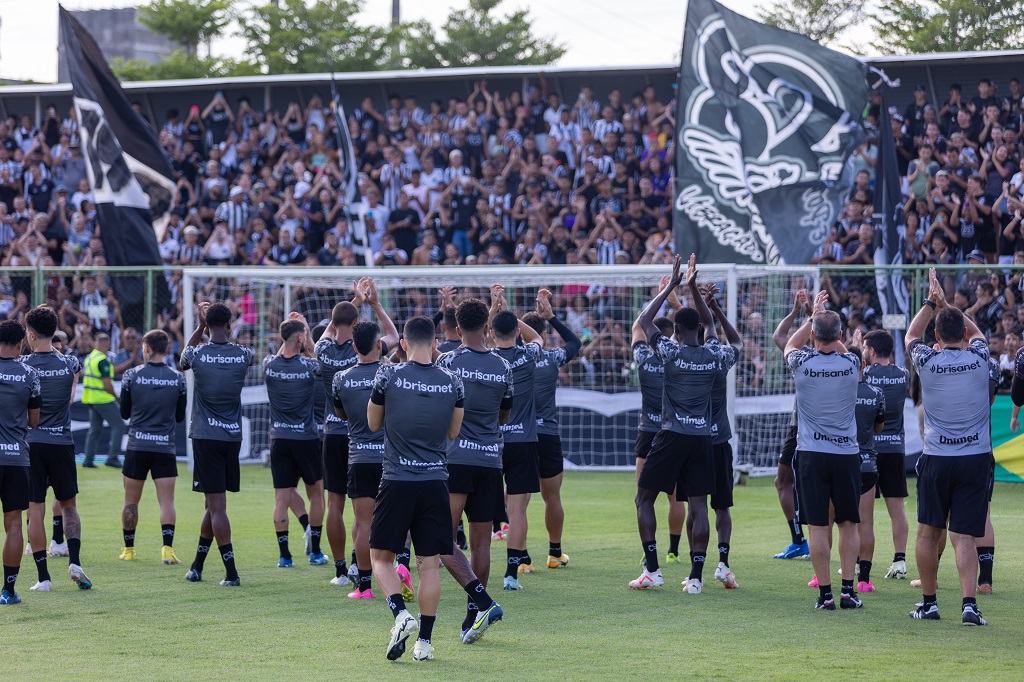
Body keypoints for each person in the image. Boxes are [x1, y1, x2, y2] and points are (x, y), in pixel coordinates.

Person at [365, 316, 468, 661]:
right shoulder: (453, 381)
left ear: (403, 344)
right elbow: (453, 432)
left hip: (397, 480)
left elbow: (372, 423)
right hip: (435, 481)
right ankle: (424, 643)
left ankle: (400, 614)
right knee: (429, 565)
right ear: (436, 343)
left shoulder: (388, 375)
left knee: (380, 558)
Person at [631, 254, 733, 593]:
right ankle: (697, 578)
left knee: (644, 500)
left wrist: (672, 287)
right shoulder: (713, 354)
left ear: (675, 331)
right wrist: (695, 291)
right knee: (699, 506)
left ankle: (653, 570)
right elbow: (717, 330)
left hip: (672, 434)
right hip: (703, 438)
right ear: (700, 330)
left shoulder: (670, 353)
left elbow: (644, 320)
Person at [906, 268, 992, 626]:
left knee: (928, 532)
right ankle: (969, 606)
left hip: (937, 458)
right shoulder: (980, 357)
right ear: (964, 335)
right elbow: (978, 334)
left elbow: (912, 334)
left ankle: (929, 603)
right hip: (974, 458)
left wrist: (931, 302)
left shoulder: (927, 360)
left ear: (937, 336)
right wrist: (948, 306)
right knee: (964, 536)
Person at [436, 299, 514, 634]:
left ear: (456, 329)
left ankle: (482, 602)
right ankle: (473, 615)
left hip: (455, 459)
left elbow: (437, 407)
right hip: (490, 460)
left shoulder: (447, 361)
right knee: (482, 543)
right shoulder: (503, 366)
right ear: (487, 327)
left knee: (440, 538)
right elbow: (504, 414)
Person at [316, 279, 398, 585]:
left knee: (335, 505)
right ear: (356, 324)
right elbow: (394, 336)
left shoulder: (323, 349)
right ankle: (360, 563)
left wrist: (355, 301)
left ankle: (341, 570)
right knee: (371, 511)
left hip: (334, 433)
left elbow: (331, 327)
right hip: (365, 437)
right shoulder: (369, 353)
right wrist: (371, 302)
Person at [785, 289, 863, 611]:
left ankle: (826, 595)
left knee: (818, 526)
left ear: (814, 336)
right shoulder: (852, 363)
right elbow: (851, 353)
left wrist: (811, 318)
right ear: (841, 335)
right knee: (848, 524)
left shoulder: (801, 363)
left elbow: (790, 345)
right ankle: (848, 592)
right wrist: (824, 326)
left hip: (811, 454)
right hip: (846, 455)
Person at [179, 302, 255, 587]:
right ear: (229, 324)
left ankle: (231, 573)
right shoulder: (244, 354)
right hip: (232, 437)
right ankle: (197, 566)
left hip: (205, 436)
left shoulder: (197, 354)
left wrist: (200, 325)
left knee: (217, 507)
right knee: (212, 505)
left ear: (207, 326)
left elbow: (183, 359)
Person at [21, 306, 87, 592]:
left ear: (31, 334)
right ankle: (75, 562)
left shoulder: (23, 365)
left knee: (35, 509)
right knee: (69, 506)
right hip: (62, 443)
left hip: (31, 443)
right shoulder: (70, 363)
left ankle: (43, 578)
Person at [488, 288, 545, 590]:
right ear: (516, 332)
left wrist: (496, 308)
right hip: (523, 440)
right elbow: (537, 338)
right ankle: (511, 574)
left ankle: (474, 569)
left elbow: (475, 338)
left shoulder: (487, 358)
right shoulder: (527, 355)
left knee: (482, 508)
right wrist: (510, 313)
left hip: (490, 442)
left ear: (492, 333)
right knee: (518, 510)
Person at [522, 288, 580, 570]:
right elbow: (575, 342)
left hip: (518, 435)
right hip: (546, 434)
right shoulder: (553, 357)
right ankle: (555, 553)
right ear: (543, 335)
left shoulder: (510, 359)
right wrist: (552, 317)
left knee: (517, 500)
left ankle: (520, 559)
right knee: (552, 496)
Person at [118, 330, 187, 565]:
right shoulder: (178, 378)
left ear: (146, 348)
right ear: (167, 349)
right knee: (166, 501)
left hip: (137, 445)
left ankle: (129, 550)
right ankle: (167, 550)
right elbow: (180, 417)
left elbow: (124, 413)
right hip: (164, 447)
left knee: (131, 500)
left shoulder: (131, 375)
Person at [332, 321, 389, 598]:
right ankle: (400, 570)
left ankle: (364, 587)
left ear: (354, 347)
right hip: (390, 459)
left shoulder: (341, 378)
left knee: (364, 524)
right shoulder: (391, 373)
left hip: (360, 457)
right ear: (379, 345)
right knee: (395, 522)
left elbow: (341, 413)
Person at [264, 315, 326, 568]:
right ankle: (315, 552)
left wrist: (292, 335)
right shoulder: (308, 366)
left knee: (281, 498)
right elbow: (322, 362)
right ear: (300, 338)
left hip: (279, 438)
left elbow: (284, 351)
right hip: (306, 438)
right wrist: (307, 338)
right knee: (316, 495)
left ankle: (284, 556)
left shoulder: (269, 364)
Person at [631, 286, 686, 565]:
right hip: (673, 431)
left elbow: (637, 325)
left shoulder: (643, 357)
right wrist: (676, 304)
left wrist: (662, 294)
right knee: (675, 498)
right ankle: (673, 550)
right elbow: (691, 330)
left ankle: (648, 548)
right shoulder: (679, 358)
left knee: (643, 497)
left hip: (647, 432)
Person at [701, 284, 744, 589]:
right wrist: (715, 308)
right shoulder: (720, 359)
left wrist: (700, 305)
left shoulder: (683, 359)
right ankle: (723, 563)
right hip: (719, 442)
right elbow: (736, 341)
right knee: (722, 507)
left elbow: (700, 327)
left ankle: (695, 567)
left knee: (695, 506)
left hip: (692, 439)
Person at [861, 330, 911, 581]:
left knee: (864, 514)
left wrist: (852, 347)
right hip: (894, 448)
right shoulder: (903, 375)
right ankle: (899, 561)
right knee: (897, 508)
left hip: (868, 451)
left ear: (870, 351)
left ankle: (859, 564)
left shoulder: (865, 374)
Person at [0, 320, 41, 605]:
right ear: (21, 344)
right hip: (15, 457)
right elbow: (33, 421)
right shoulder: (30, 374)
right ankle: (8, 591)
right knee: (14, 524)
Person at [770, 290, 812, 560]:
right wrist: (810, 313)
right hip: (832, 430)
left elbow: (779, 337)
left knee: (784, 482)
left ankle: (800, 541)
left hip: (801, 428)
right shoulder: (844, 360)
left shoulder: (803, 360)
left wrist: (800, 312)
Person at [848, 343, 886, 593]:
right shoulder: (876, 393)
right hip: (867, 463)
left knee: (833, 523)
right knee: (866, 523)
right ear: (863, 364)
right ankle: (864, 580)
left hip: (842, 461)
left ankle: (822, 577)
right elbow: (878, 427)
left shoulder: (837, 392)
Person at [81, 332, 124, 469]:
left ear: (96, 343)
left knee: (94, 430)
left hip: (91, 398)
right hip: (103, 398)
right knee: (119, 426)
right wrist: (117, 398)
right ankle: (112, 458)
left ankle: (88, 460)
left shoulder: (90, 357)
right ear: (108, 344)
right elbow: (107, 385)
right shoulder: (103, 360)